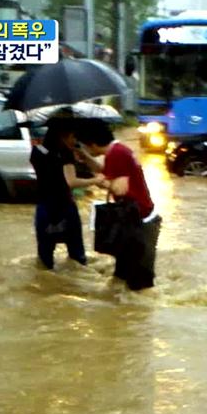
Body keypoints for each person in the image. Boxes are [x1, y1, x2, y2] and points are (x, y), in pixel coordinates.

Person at [76, 120, 161, 290]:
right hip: (133, 218)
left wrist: (99, 182)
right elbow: (106, 171)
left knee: (139, 283)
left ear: (91, 144)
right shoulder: (117, 151)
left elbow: (120, 189)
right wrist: (86, 158)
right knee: (122, 276)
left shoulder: (117, 154)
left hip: (140, 222)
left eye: (85, 146)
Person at [30, 118, 104, 270]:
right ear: (62, 136)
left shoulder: (36, 152)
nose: (74, 140)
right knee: (78, 257)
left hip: (44, 210)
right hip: (65, 209)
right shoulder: (65, 154)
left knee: (45, 260)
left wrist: (81, 152)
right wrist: (94, 180)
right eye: (72, 136)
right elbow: (71, 181)